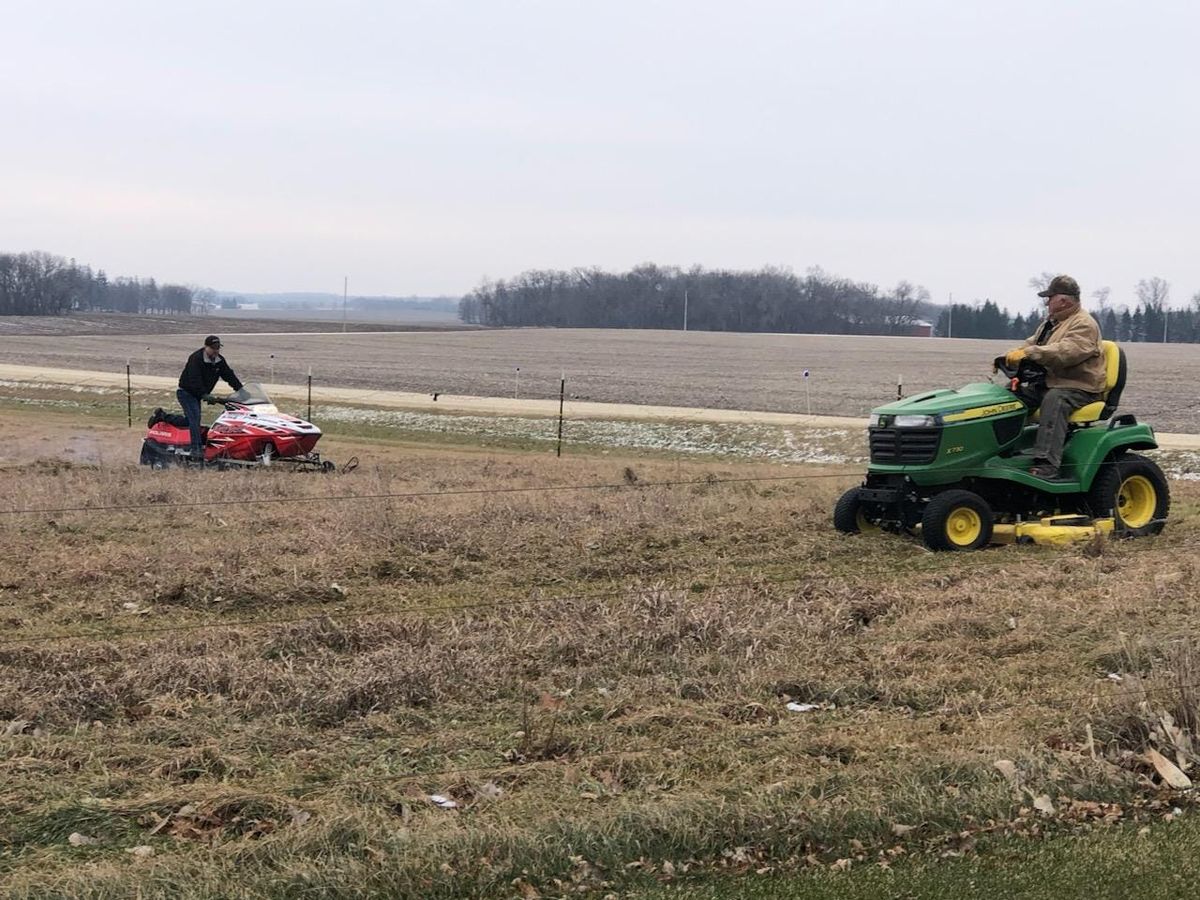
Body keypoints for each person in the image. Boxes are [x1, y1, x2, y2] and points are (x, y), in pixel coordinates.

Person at [1000, 275, 1106, 480]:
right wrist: (1012, 355)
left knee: (1055, 400)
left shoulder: (1084, 324)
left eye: (1050, 297)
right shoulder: (1051, 323)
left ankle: (1047, 464)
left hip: (1080, 386)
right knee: (1008, 398)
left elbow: (1067, 352)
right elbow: (1031, 343)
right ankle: (1004, 450)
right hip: (1051, 382)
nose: (1047, 302)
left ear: (1064, 300)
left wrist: (1031, 353)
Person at [176, 335, 243, 460]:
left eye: (218, 348)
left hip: (198, 394)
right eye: (213, 348)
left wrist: (241, 390)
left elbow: (229, 375)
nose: (215, 351)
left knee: (189, 420)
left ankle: (163, 417)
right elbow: (194, 380)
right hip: (186, 392)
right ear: (206, 347)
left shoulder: (219, 361)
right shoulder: (196, 359)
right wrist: (205, 395)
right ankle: (196, 451)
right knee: (194, 419)